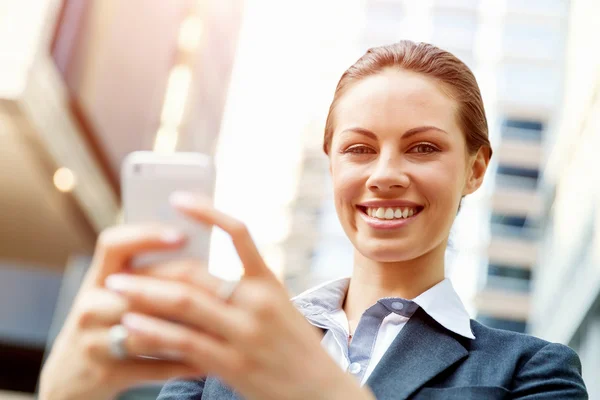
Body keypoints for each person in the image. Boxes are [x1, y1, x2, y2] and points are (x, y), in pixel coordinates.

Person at [39, 41, 587, 400]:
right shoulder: (221, 352)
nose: (386, 174)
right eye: (359, 148)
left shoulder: (529, 373)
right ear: (331, 163)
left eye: (422, 148)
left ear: (475, 169)